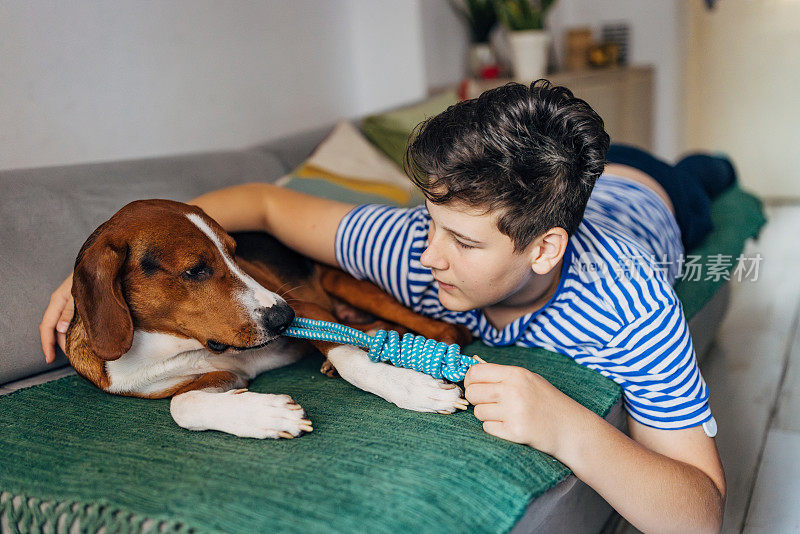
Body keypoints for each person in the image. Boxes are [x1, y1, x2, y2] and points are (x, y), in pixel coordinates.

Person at [41, 80, 734, 532]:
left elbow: (700, 513)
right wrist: (89, 276)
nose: (429, 255)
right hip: (563, 197)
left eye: (460, 240)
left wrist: (569, 428)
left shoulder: (629, 304)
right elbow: (261, 203)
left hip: (655, 198)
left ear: (546, 251)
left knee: (710, 173)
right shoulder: (405, 245)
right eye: (430, 220)